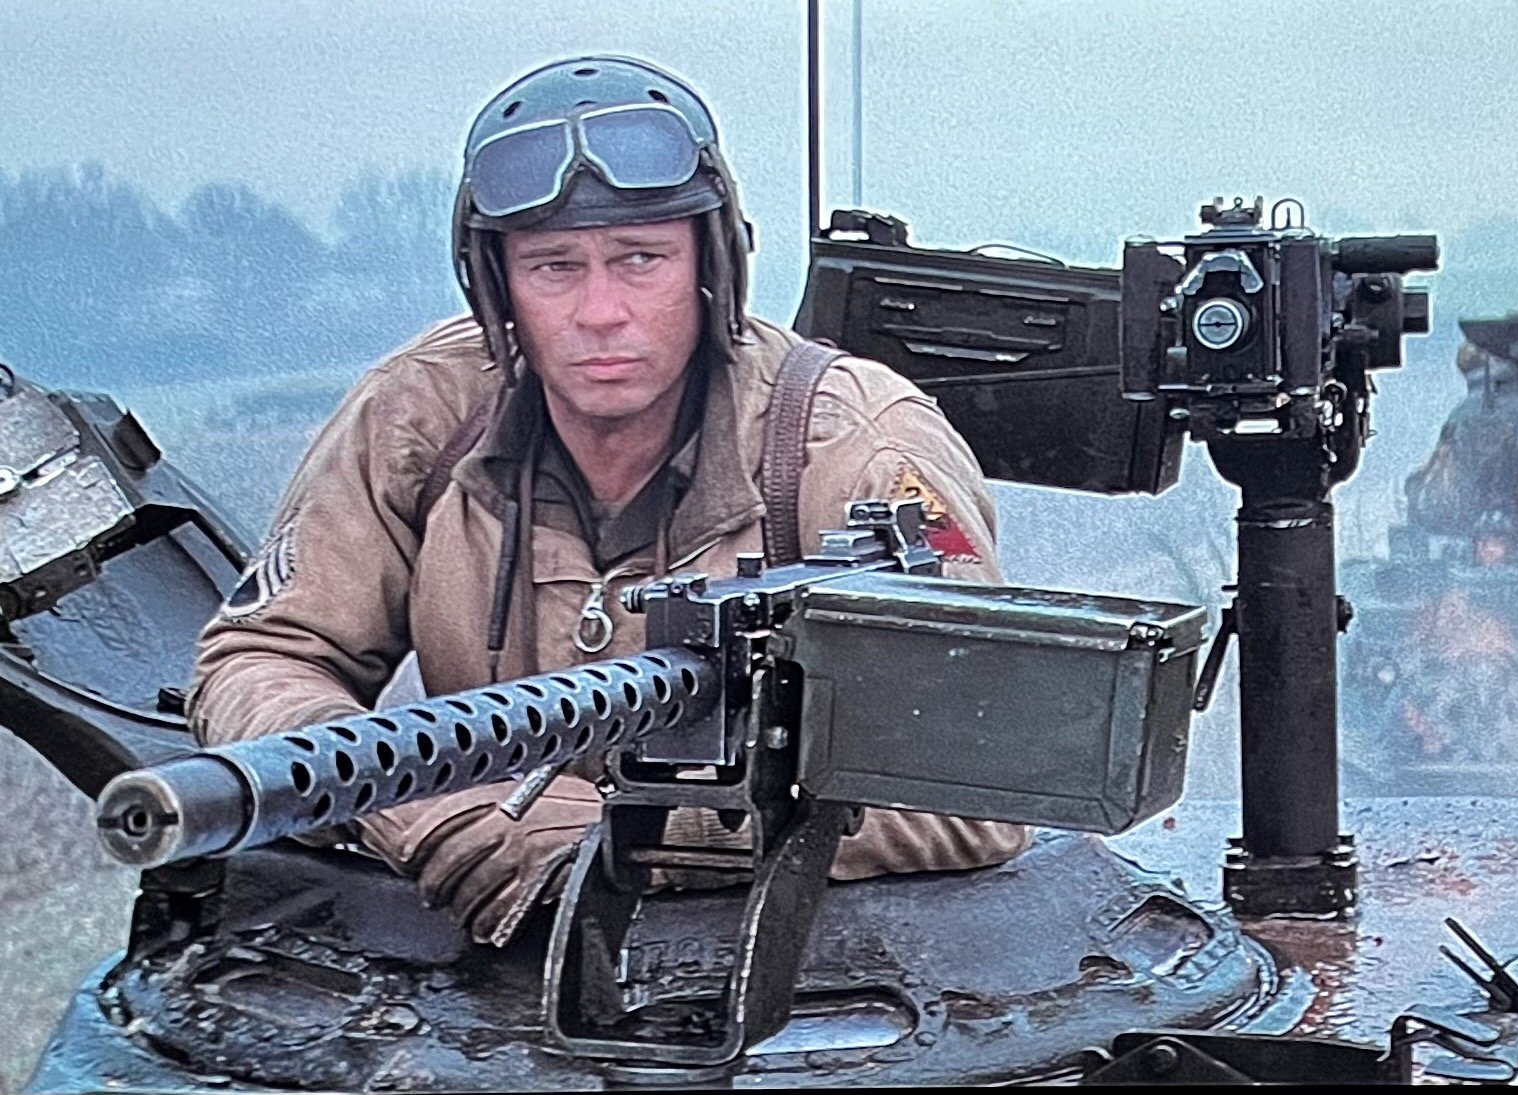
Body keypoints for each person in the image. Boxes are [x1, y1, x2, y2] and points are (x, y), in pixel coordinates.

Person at [186, 56, 1030, 947]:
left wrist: (636, 836)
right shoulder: (424, 413)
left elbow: (984, 787)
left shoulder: (857, 449)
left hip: (805, 969)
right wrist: (412, 801)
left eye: (640, 260)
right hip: (492, 962)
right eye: (553, 266)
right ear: (497, 284)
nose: (600, 311)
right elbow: (260, 659)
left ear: (711, 266)